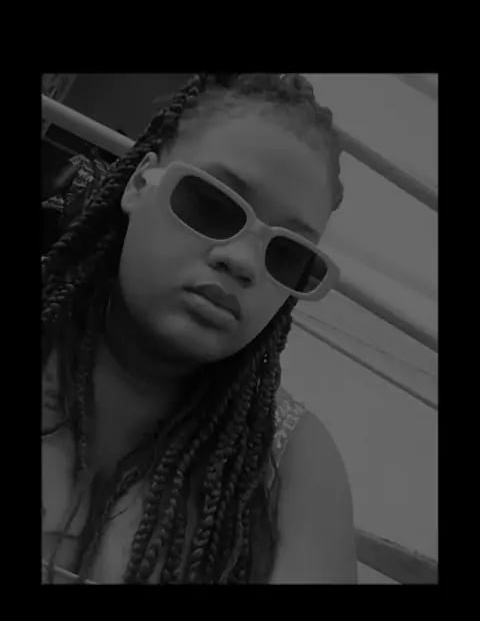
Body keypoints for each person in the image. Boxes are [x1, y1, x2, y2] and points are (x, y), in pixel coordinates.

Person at [41, 73, 357, 585]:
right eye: (211, 204)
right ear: (139, 184)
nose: (243, 262)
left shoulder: (294, 465)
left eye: (287, 254)